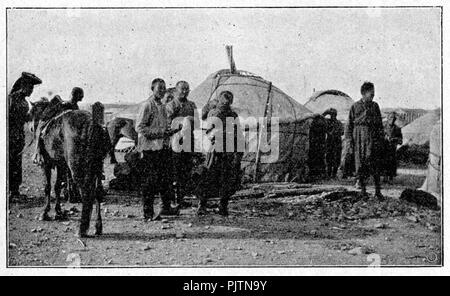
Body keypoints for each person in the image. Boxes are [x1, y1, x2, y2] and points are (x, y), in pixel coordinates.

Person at [136, 78, 180, 221]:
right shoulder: (147, 105)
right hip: (149, 149)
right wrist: (161, 133)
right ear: (152, 88)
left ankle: (165, 209)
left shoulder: (161, 106)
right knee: (149, 183)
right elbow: (140, 128)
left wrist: (171, 131)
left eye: (163, 88)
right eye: (159, 88)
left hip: (161, 148)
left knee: (165, 180)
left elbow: (160, 127)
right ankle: (147, 213)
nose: (162, 91)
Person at [195, 91, 243, 216]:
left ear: (231, 102)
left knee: (226, 179)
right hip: (215, 150)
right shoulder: (214, 113)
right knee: (208, 176)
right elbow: (209, 131)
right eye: (223, 100)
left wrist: (238, 151)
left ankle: (223, 206)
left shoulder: (233, 115)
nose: (226, 102)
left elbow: (238, 133)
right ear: (219, 100)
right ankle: (202, 205)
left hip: (228, 151)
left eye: (228, 100)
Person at [346, 81, 384, 199]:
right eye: (371, 93)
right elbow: (348, 126)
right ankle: (363, 191)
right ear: (364, 93)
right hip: (359, 138)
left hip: (373, 138)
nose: (373, 95)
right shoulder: (355, 106)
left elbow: (380, 125)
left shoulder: (375, 106)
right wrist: (349, 142)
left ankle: (378, 191)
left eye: (373, 93)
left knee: (375, 163)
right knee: (360, 164)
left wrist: (381, 138)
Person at [8, 72, 42, 199]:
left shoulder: (23, 101)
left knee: (16, 163)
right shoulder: (12, 99)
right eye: (30, 88)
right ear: (23, 86)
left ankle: (14, 191)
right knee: (10, 163)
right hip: (10, 136)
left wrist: (34, 112)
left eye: (33, 88)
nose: (32, 91)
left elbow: (25, 118)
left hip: (18, 136)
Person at [166, 81, 198, 208]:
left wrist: (190, 121)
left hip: (188, 141)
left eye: (187, 89)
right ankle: (172, 199)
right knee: (175, 171)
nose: (185, 91)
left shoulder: (191, 105)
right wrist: (180, 124)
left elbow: (197, 124)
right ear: (176, 90)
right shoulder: (170, 105)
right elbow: (168, 124)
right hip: (175, 141)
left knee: (186, 170)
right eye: (182, 89)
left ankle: (181, 198)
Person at [323, 108, 344, 178]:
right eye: (331, 114)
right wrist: (325, 112)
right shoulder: (327, 122)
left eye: (334, 114)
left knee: (336, 158)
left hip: (337, 142)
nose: (333, 116)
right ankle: (329, 174)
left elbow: (342, 132)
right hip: (330, 142)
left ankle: (333, 175)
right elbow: (321, 118)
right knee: (329, 158)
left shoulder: (339, 123)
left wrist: (334, 133)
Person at [383, 112, 403, 183]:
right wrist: (385, 137)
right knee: (384, 162)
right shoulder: (383, 127)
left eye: (394, 118)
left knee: (392, 163)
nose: (392, 119)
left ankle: (391, 178)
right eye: (391, 118)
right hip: (384, 148)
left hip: (392, 149)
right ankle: (385, 177)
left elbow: (401, 141)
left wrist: (394, 139)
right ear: (388, 118)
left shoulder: (397, 129)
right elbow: (378, 136)